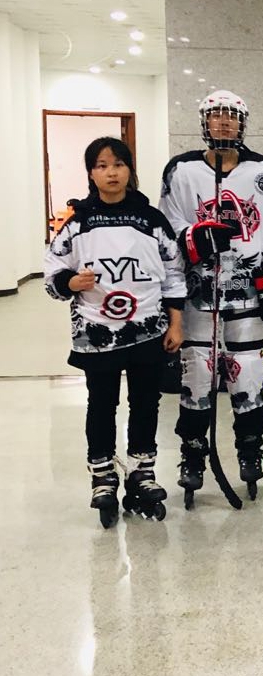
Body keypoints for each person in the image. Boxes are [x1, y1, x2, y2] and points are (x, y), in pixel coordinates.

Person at [44, 137, 185, 527]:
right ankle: (103, 475)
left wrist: (176, 322)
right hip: (97, 330)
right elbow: (52, 272)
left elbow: (174, 272)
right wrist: (71, 282)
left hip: (148, 329)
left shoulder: (152, 219)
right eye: (102, 165)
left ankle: (142, 471)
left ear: (129, 170)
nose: (111, 173)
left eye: (119, 164)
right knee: (102, 403)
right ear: (91, 173)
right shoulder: (78, 223)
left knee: (146, 401)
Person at [158, 90, 263, 503]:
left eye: (231, 117)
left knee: (248, 371)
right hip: (199, 295)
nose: (224, 122)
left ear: (242, 123)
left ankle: (250, 448)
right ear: (204, 122)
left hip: (246, 292)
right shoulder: (181, 170)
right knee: (197, 374)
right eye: (216, 116)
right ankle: (192, 455)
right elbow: (167, 224)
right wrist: (193, 238)